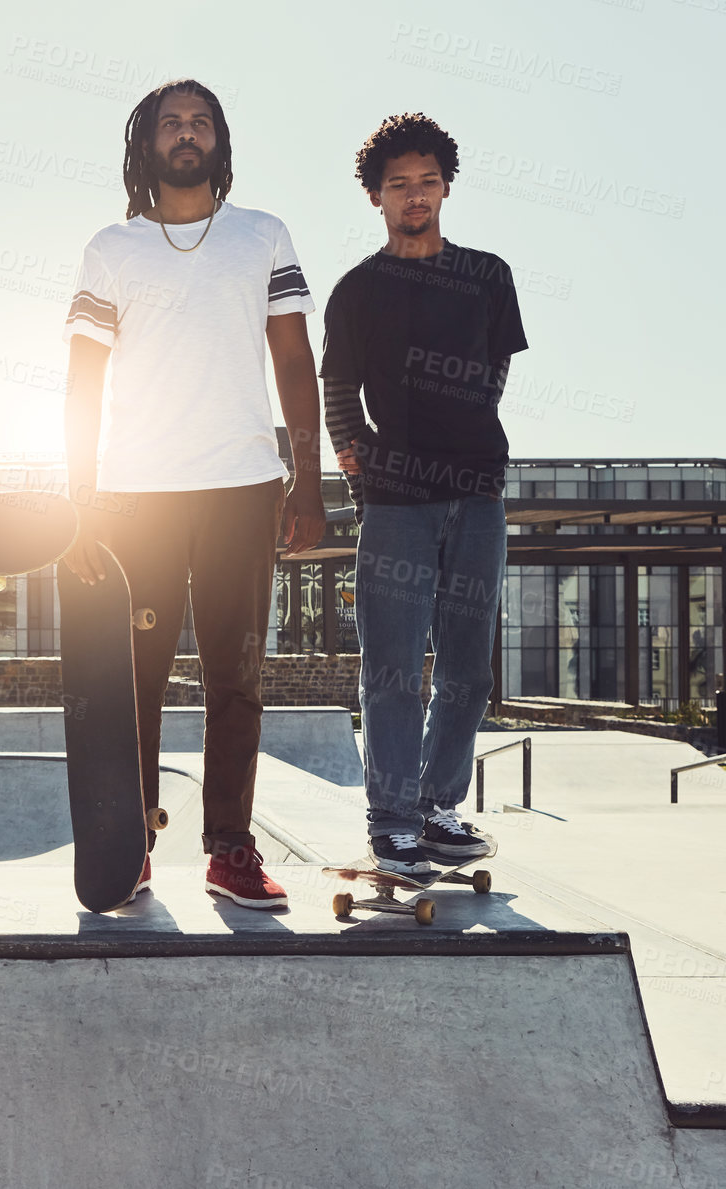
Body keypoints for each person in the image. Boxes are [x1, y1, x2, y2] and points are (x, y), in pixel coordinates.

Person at [61, 80, 324, 910]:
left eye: (200, 121)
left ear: (220, 140)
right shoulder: (113, 247)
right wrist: (77, 497)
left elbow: (292, 360)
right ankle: (130, 844)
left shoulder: (262, 235)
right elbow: (82, 379)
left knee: (236, 673)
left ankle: (230, 847)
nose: (186, 134)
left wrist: (308, 478)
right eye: (171, 123)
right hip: (134, 495)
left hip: (242, 486)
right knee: (134, 674)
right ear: (147, 143)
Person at [320, 113, 526, 874]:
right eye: (399, 185)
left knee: (469, 665)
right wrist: (361, 473)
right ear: (376, 195)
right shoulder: (359, 289)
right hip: (397, 502)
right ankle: (391, 818)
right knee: (394, 667)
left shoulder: (488, 277)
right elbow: (337, 391)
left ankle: (439, 807)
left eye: (427, 181)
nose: (415, 195)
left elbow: (495, 376)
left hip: (478, 493)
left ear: (446, 185)